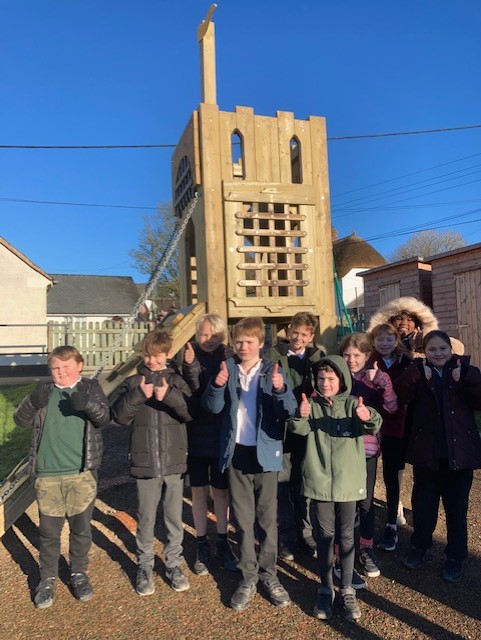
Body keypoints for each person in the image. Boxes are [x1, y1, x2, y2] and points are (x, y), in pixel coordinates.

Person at [202, 317, 297, 611]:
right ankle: (248, 576)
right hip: (236, 454)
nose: (243, 347)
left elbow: (290, 412)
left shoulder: (273, 370)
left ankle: (269, 575)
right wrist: (217, 386)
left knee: (267, 519)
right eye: (239, 341)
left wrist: (280, 390)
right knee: (242, 520)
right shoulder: (226, 369)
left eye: (249, 342)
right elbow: (211, 407)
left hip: (266, 455)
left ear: (260, 344)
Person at [13, 345, 110, 609]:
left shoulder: (90, 388)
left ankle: (78, 572)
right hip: (48, 474)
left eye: (66, 367)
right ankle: (47, 578)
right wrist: (33, 401)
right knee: (48, 533)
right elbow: (20, 420)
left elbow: (104, 418)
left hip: (81, 473)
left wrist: (88, 405)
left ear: (78, 365)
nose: (61, 373)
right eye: (55, 368)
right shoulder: (45, 391)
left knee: (81, 529)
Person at [289, 356, 381, 621]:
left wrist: (367, 415)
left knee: (348, 537)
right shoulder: (312, 405)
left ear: (341, 379)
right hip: (319, 484)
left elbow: (374, 423)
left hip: (348, 483)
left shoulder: (353, 404)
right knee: (325, 537)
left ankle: (347, 589)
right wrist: (300, 415)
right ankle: (325, 587)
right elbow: (298, 429)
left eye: (330, 378)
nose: (325, 383)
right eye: (320, 378)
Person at [110, 329, 192, 596]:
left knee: (173, 516)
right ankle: (144, 566)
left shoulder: (177, 381)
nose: (152, 361)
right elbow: (119, 417)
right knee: (145, 517)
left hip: (173, 460)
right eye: (147, 356)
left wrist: (167, 395)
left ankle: (174, 565)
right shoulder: (133, 383)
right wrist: (138, 396)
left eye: (157, 356)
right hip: (145, 460)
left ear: (167, 355)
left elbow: (189, 412)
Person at [396, 330, 481, 582]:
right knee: (424, 506)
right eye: (432, 349)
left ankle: (455, 556)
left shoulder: (466, 371)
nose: (438, 353)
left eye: (442, 348)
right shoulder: (418, 373)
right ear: (425, 352)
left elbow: (479, 401)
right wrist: (415, 373)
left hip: (458, 455)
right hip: (428, 454)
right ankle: (419, 546)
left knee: (456, 509)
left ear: (451, 350)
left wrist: (466, 377)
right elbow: (402, 395)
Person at [339, 332, 398, 582]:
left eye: (357, 355)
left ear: (366, 355)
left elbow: (392, 408)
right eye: (346, 355)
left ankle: (366, 547)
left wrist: (384, 383)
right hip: (339, 449)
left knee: (365, 500)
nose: (351, 360)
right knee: (341, 500)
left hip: (366, 450)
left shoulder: (375, 378)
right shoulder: (335, 377)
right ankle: (340, 550)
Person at [181, 313, 238, 575]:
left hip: (219, 433)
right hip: (195, 433)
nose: (208, 340)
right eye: (203, 334)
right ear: (196, 335)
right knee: (199, 491)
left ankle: (224, 540)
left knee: (221, 491)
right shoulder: (187, 358)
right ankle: (202, 542)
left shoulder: (228, 358)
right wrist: (190, 366)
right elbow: (191, 393)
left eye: (214, 335)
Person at [266, 311, 324, 561]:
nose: (298, 338)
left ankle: (306, 531)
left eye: (304, 334)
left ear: (311, 337)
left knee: (305, 483)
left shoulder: (316, 358)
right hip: (281, 430)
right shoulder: (274, 355)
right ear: (289, 331)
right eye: (295, 332)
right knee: (283, 484)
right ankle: (286, 536)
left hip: (307, 430)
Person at [368, 323, 412, 551]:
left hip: (396, 425)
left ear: (396, 341)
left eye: (389, 339)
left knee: (392, 475)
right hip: (371, 426)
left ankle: (391, 522)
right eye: (380, 339)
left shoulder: (406, 363)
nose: (384, 344)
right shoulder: (367, 362)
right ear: (373, 341)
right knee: (368, 475)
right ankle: (363, 520)